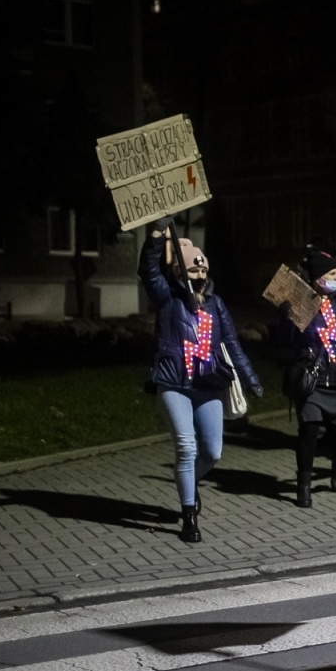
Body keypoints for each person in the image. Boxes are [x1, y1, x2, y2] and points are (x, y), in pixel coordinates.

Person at [139, 222, 262, 544]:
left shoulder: (215, 303)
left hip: (209, 384)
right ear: (180, 271)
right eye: (193, 269)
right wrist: (156, 238)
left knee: (212, 452)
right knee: (186, 447)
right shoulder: (167, 297)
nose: (200, 273)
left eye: (203, 268)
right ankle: (189, 514)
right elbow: (148, 271)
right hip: (173, 382)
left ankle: (188, 481)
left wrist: (250, 378)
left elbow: (231, 343)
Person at [289, 246, 336, 508]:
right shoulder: (303, 304)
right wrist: (289, 317)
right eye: (330, 274)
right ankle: (303, 486)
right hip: (314, 379)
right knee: (308, 432)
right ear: (316, 279)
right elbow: (289, 341)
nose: (335, 278)